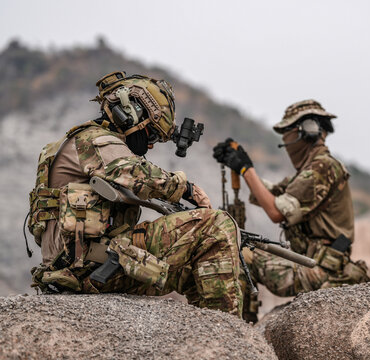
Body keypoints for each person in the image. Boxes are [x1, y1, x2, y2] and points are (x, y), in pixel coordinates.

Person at [28, 71, 243, 317]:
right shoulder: (93, 141)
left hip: (90, 264)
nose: (150, 145)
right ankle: (227, 326)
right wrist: (186, 188)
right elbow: (140, 175)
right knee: (216, 224)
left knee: (198, 264)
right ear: (131, 113)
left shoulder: (75, 145)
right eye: (151, 134)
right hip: (90, 268)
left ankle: (213, 337)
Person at [213, 99, 370, 321]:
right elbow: (275, 192)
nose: (285, 141)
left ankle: (238, 328)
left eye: (287, 131)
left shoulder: (322, 167)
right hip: (312, 264)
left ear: (306, 130)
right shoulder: (310, 170)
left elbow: (276, 211)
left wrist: (246, 169)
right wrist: (240, 165)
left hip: (319, 271)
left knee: (240, 255)